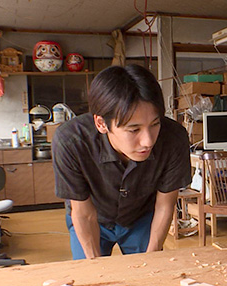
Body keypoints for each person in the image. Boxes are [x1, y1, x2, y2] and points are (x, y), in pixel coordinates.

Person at [52, 64, 191, 260]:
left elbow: (164, 206)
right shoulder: (71, 141)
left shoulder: (173, 139)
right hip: (92, 216)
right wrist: (95, 266)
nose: (148, 141)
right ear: (101, 124)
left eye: (155, 124)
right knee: (91, 280)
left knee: (147, 275)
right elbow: (83, 213)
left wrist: (151, 260)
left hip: (141, 217)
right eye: (134, 130)